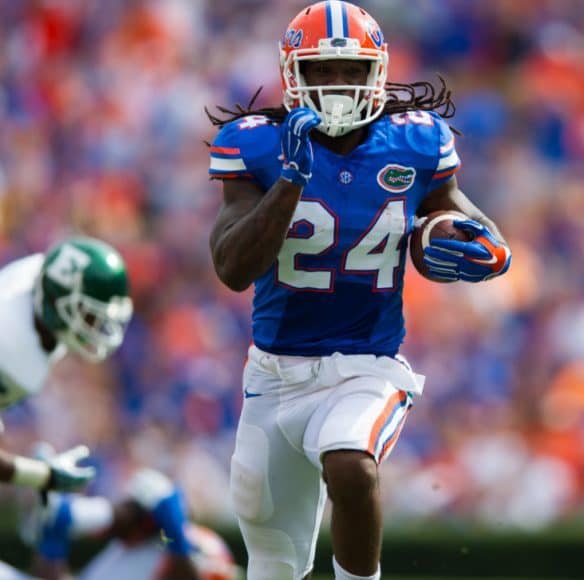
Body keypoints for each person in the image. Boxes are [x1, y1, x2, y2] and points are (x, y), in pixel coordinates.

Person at [205, 2, 511, 579]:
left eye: (349, 70)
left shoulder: (416, 143)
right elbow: (232, 267)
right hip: (274, 375)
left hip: (365, 365)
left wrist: (489, 247)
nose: (335, 85)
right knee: (272, 566)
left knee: (351, 464)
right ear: (294, 74)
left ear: (378, 72)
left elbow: (458, 217)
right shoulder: (256, 146)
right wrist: (289, 182)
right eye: (320, 70)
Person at [0, 236, 132, 495]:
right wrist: (44, 476)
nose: (97, 327)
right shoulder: (12, 357)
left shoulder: (35, 275)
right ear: (57, 307)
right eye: (90, 316)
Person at [4, 468, 237, 580]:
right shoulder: (131, 548)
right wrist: (53, 542)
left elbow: (187, 572)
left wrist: (176, 536)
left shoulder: (189, 548)